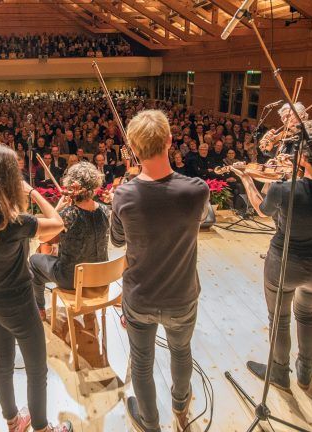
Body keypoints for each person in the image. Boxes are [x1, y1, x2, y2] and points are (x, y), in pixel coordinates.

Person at [110, 110, 209, 432]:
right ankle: (181, 405)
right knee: (181, 350)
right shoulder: (197, 190)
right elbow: (202, 219)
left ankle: (150, 422)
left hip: (140, 297)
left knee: (142, 362)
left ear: (133, 149)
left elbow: (117, 239)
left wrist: (121, 197)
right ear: (169, 140)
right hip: (182, 295)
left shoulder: (123, 195)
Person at [0, 143, 71, 432]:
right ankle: (42, 428)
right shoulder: (16, 222)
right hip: (19, 304)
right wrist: (32, 192)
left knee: (4, 363)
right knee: (37, 369)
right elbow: (57, 223)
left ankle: (13, 422)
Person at [234, 119, 312, 391]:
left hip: (285, 265)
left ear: (303, 156)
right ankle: (305, 373)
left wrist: (246, 178)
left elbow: (262, 210)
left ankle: (279, 372)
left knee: (280, 319)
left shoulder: (284, 189)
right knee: (307, 317)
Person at [30, 161, 110, 319]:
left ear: (72, 186)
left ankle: (39, 309)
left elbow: (42, 238)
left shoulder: (68, 214)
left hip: (71, 279)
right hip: (100, 277)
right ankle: (89, 315)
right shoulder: (105, 210)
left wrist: (57, 210)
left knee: (34, 261)